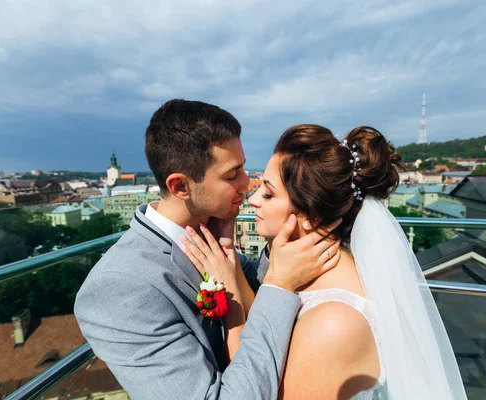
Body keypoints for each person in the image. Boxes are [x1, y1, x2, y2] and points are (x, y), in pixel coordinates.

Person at [74, 101, 342, 399]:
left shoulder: (206, 229)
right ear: (180, 187)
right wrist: (280, 285)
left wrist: (243, 251)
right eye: (232, 175)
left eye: (243, 168)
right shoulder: (119, 288)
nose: (246, 185)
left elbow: (250, 278)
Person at [183, 124, 468, 399]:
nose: (253, 199)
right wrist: (230, 262)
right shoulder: (308, 274)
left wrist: (230, 298)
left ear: (312, 218)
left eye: (268, 193)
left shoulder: (334, 323)